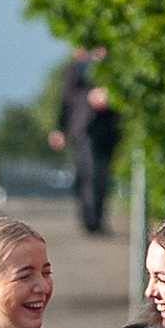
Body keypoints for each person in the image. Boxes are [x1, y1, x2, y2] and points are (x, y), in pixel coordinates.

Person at [73, 87, 122, 236]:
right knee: (88, 177)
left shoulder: (113, 68)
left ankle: (97, 219)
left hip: (107, 132)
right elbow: (68, 95)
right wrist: (90, 96)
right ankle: (89, 220)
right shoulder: (80, 68)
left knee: (102, 180)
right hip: (87, 132)